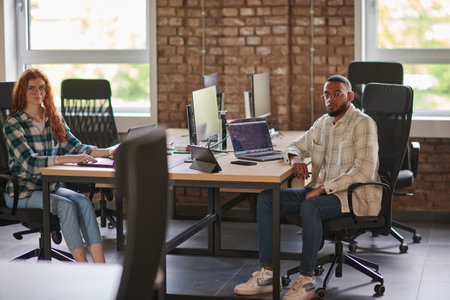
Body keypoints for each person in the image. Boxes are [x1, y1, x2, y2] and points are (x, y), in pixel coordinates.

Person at [234, 75, 382, 300]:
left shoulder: (364, 123)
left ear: (350, 96)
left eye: (336, 94)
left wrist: (322, 189)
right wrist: (295, 159)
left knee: (310, 206)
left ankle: (307, 280)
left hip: (354, 196)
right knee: (266, 198)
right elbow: (295, 145)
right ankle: (267, 274)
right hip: (321, 189)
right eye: (326, 95)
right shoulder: (323, 123)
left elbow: (363, 171)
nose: (330, 99)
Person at [3, 68, 115, 263]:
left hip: (50, 187)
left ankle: (101, 268)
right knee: (66, 206)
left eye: (42, 88)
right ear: (22, 91)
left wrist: (110, 151)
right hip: (23, 191)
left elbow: (77, 147)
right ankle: (82, 268)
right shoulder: (13, 124)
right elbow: (29, 163)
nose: (38, 93)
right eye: (32, 89)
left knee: (84, 203)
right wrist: (67, 159)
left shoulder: (53, 118)